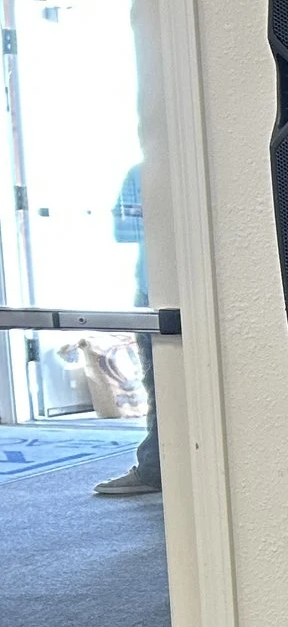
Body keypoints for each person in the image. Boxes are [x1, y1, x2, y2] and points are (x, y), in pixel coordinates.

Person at [92, 160, 159, 497]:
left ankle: (156, 469)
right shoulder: (139, 173)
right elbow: (122, 230)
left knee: (161, 385)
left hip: (172, 289)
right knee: (157, 384)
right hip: (151, 290)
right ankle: (155, 468)